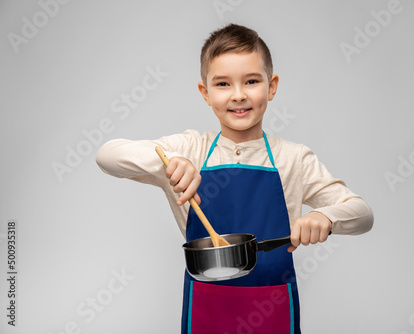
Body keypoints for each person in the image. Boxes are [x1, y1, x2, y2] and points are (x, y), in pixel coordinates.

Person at [96, 23, 373, 334]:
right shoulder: (192, 148)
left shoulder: (293, 159)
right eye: (223, 84)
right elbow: (107, 154)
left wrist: (327, 216)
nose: (239, 95)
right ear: (206, 92)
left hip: (272, 309)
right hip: (206, 307)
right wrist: (172, 161)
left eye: (251, 81)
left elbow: (363, 214)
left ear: (271, 86)